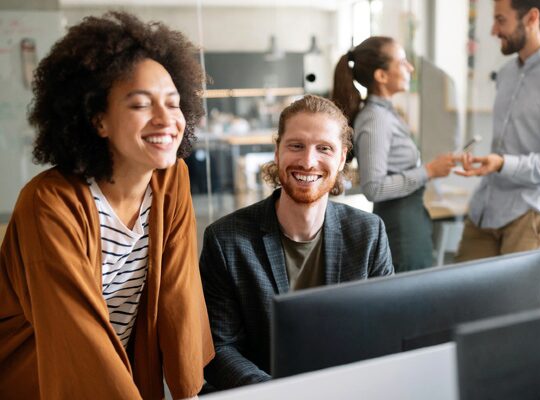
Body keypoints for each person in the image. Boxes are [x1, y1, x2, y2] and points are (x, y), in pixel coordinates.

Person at [0, 12, 214, 399]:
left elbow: (179, 295)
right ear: (98, 119)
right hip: (40, 377)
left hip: (125, 373)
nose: (166, 119)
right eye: (140, 105)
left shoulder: (172, 178)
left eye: (173, 102)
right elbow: (74, 335)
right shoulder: (49, 202)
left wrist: (189, 394)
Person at [200, 95, 394, 390]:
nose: (307, 160)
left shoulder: (368, 234)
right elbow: (218, 349)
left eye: (324, 148)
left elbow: (384, 333)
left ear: (341, 157)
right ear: (277, 151)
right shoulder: (225, 240)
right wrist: (281, 394)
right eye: (296, 145)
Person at [454, 0, 540, 286]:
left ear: (531, 18)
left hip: (532, 215)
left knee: (513, 321)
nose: (493, 30)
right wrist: (492, 163)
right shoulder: (506, 74)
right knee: (457, 306)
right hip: (486, 209)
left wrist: (505, 164)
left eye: (500, 20)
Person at [331, 36, 455, 273]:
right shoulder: (376, 119)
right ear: (381, 76)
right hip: (400, 230)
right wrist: (428, 171)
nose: (410, 68)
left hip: (410, 221)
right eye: (402, 62)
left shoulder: (387, 114)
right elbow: (373, 188)